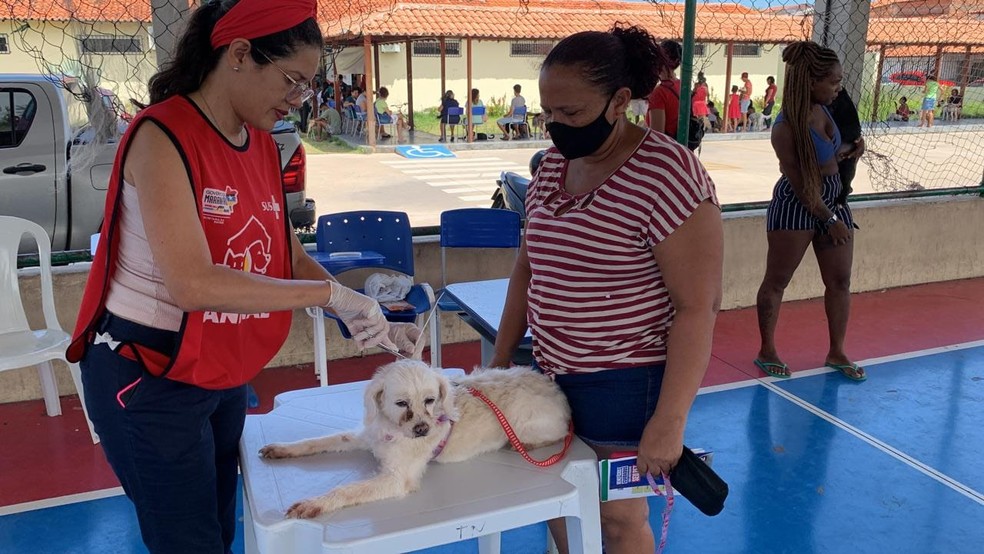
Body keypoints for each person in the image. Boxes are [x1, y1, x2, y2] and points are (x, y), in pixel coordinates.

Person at [65, 1, 421, 552]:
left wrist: (356, 307)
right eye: (292, 81)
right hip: (147, 373)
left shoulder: (259, 143)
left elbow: (283, 250)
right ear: (238, 55)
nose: (298, 99)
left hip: (218, 366)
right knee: (187, 539)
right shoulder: (163, 135)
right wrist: (329, 294)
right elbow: (192, 284)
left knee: (218, 521)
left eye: (307, 87)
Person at [491, 24, 722, 554]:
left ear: (620, 101)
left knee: (615, 521)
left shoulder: (670, 175)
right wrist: (501, 359)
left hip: (625, 382)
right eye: (548, 113)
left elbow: (696, 309)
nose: (556, 127)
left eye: (570, 114)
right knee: (558, 505)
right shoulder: (552, 167)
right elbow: (528, 270)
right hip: (549, 374)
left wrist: (669, 421)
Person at [754, 41, 866, 382]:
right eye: (833, 81)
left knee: (840, 281)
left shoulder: (825, 108)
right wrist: (829, 220)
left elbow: (828, 159)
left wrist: (852, 149)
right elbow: (803, 185)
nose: (838, 87)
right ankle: (767, 351)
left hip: (832, 201)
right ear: (811, 82)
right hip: (798, 205)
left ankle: (837, 351)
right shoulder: (785, 128)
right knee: (778, 280)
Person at [646, 39, 682, 137]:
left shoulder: (659, 93)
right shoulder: (682, 86)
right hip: (681, 147)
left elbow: (657, 135)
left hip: (667, 148)